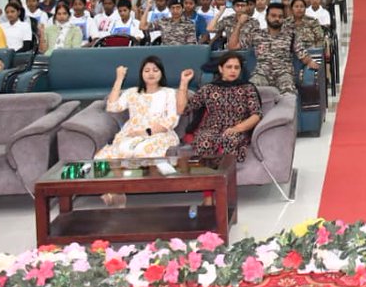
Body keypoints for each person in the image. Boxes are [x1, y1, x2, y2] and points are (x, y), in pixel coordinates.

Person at [177, 53, 263, 205]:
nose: (233, 70)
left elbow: (256, 115)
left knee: (229, 140)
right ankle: (208, 196)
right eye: (229, 67)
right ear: (220, 68)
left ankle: (225, 195)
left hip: (237, 128)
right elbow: (183, 110)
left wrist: (237, 128)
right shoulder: (208, 89)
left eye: (236, 67)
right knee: (205, 141)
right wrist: (184, 83)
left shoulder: (247, 88)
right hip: (211, 127)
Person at [95, 57, 180, 206]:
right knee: (108, 155)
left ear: (162, 73)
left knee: (141, 150)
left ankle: (122, 189)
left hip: (159, 133)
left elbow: (172, 119)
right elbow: (112, 107)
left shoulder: (168, 93)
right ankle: (116, 190)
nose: (151, 74)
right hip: (132, 133)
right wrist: (119, 79)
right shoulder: (132, 92)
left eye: (155, 70)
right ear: (141, 74)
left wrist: (146, 132)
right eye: (147, 70)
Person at [245, 2, 319, 93]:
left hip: (283, 74)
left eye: (280, 17)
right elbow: (233, 46)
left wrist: (310, 62)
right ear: (266, 17)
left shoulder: (291, 35)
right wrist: (239, 25)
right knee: (250, 91)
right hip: (262, 73)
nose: (277, 19)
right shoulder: (256, 34)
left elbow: (302, 54)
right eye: (273, 16)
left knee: (288, 92)